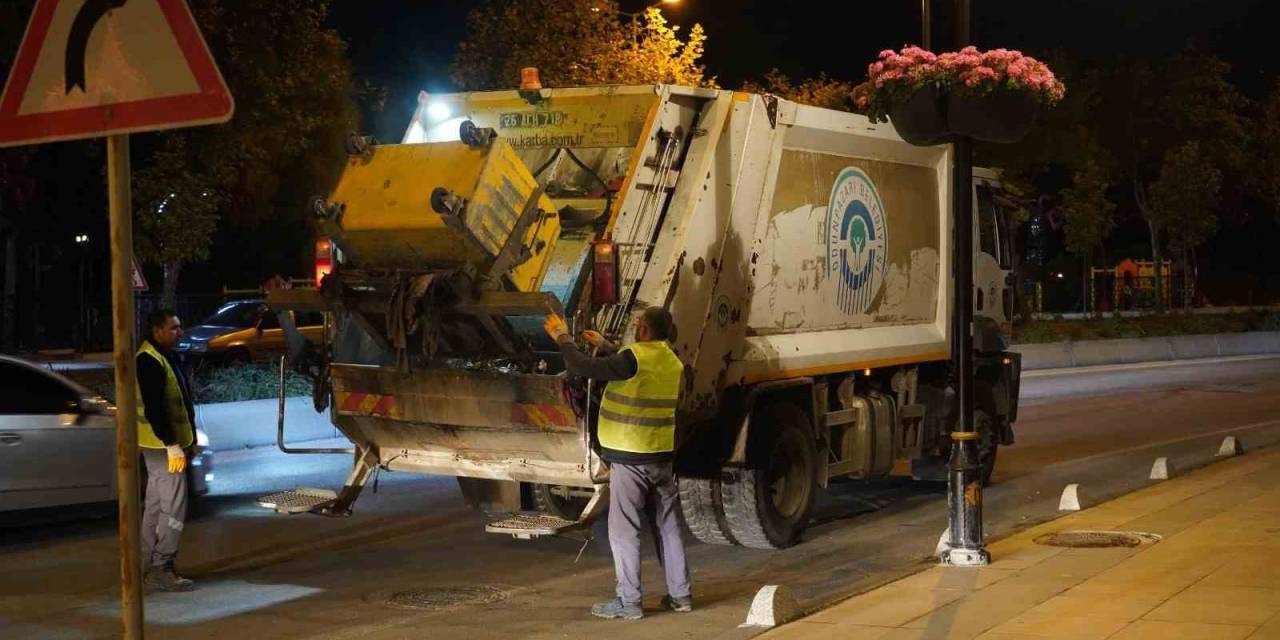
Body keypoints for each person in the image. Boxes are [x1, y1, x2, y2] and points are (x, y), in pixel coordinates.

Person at [544, 308, 691, 620]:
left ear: (646, 331)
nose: (635, 328)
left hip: (630, 458)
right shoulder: (672, 360)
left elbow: (583, 366)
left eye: (638, 325)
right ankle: (681, 596)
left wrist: (562, 338)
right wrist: (606, 345)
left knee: (623, 531)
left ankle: (629, 603)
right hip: (662, 457)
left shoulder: (631, 358)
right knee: (669, 528)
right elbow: (635, 366)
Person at [136, 309, 197, 592]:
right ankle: (162, 566)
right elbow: (155, 409)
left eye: (180, 326)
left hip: (160, 446)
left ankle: (146, 565)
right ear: (156, 330)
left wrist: (190, 440)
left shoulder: (165, 356)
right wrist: (173, 445)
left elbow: (181, 403)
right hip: (163, 448)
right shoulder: (149, 360)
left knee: (156, 506)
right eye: (173, 328)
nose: (179, 332)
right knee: (174, 507)